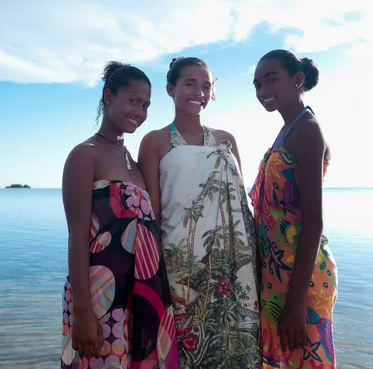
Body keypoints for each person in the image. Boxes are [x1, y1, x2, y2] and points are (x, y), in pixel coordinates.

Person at [138, 57, 260, 368]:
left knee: (230, 342)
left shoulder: (226, 140)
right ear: (170, 89)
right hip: (179, 263)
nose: (199, 92)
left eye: (205, 86)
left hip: (229, 265)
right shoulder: (154, 141)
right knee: (185, 347)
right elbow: (151, 211)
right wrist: (156, 271)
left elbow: (240, 206)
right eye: (190, 84)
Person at [61, 61, 178, 368]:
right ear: (109, 96)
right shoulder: (84, 154)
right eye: (133, 101)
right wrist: (84, 310)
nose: (140, 112)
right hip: (100, 292)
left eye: (146, 105)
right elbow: (76, 235)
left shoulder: (131, 160)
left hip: (139, 292)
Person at [249, 49, 337, 369]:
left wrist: (296, 303)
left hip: (302, 276)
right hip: (278, 272)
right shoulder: (286, 130)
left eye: (271, 79)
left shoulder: (307, 130)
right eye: (257, 84)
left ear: (297, 80)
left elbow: (314, 222)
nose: (262, 90)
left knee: (306, 361)